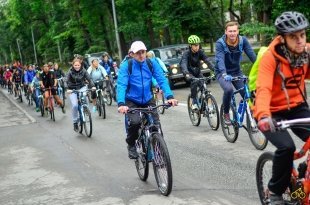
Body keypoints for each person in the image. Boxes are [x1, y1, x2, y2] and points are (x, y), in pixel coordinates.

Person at [254, 11, 310, 205]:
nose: (300, 40)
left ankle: (304, 175)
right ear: (283, 38)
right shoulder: (271, 58)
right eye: (293, 37)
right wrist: (262, 116)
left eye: (302, 35)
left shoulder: (307, 53)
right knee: (287, 147)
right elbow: (263, 88)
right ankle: (275, 193)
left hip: (297, 107)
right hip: (272, 112)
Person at [117, 41, 178, 159]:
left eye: (143, 52)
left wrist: (170, 97)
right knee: (135, 122)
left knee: (156, 125)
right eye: (138, 53)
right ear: (132, 54)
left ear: (146, 52)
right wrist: (121, 103)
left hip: (148, 98)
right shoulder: (126, 66)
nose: (141, 55)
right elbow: (121, 85)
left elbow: (161, 80)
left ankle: (159, 152)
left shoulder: (151, 63)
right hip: (131, 100)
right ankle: (131, 144)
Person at [214, 21, 256, 124]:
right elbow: (220, 60)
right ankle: (226, 113)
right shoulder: (220, 43)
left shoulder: (243, 41)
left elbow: (252, 55)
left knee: (248, 94)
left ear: (237, 31)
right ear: (226, 32)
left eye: (234, 31)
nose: (232, 33)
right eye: (230, 31)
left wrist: (260, 67)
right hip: (222, 72)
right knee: (228, 90)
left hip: (236, 72)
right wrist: (224, 74)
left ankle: (251, 112)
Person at [180, 35, 215, 110]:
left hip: (197, 72)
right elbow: (183, 63)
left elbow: (207, 61)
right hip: (188, 73)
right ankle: (194, 102)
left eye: (198, 45)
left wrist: (215, 70)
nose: (197, 47)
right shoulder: (186, 53)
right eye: (195, 45)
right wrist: (186, 73)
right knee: (194, 82)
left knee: (203, 86)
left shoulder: (200, 52)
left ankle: (203, 102)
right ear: (190, 46)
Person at [67, 58, 96, 131]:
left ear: (80, 65)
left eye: (78, 65)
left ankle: (86, 110)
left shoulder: (83, 70)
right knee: (75, 105)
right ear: (73, 65)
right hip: (72, 89)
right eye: (75, 65)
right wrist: (68, 89)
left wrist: (93, 86)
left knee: (85, 99)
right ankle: (75, 122)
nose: (77, 66)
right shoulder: (70, 72)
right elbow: (66, 81)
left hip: (82, 87)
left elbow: (89, 79)